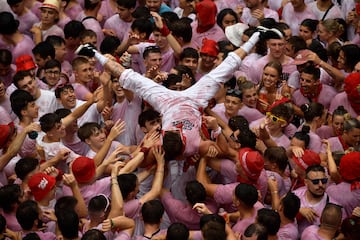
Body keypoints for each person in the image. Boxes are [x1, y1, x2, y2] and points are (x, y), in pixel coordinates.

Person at [76, 24, 266, 161]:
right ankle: (257, 35)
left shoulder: (158, 143)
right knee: (224, 70)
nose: (174, 129)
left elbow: (137, 155)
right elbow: (226, 150)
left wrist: (144, 150)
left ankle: (93, 52)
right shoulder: (195, 146)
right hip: (194, 101)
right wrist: (216, 129)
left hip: (167, 102)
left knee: (129, 77)